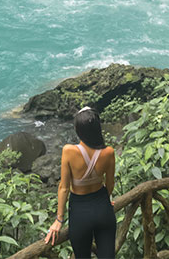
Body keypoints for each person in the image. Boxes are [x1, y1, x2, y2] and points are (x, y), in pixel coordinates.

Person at [45, 106, 116, 258]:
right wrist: (105, 200)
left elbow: (63, 187)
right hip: (103, 208)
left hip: (80, 212)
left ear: (78, 130)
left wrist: (59, 219)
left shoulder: (69, 151)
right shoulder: (109, 152)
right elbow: (110, 183)